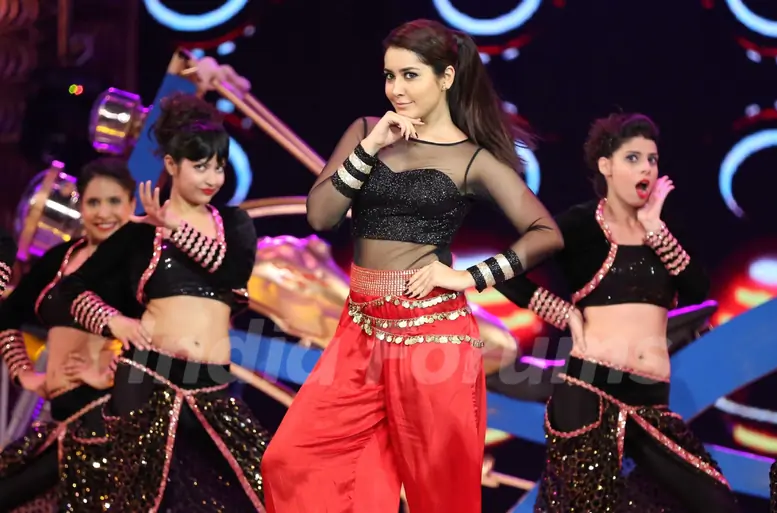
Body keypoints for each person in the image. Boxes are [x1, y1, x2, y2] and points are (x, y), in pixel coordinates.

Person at [260, 19, 564, 513]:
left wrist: (468, 277)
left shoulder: (472, 159)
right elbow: (320, 216)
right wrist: (369, 147)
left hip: (433, 337)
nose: (396, 89)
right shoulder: (367, 132)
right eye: (389, 76)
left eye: (410, 75)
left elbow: (546, 233)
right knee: (289, 461)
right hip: (360, 332)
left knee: (439, 495)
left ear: (446, 77)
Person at [493, 112, 741, 512]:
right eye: (633, 158)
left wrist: (655, 229)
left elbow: (697, 289)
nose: (647, 168)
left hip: (651, 402)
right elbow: (504, 271)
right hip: (589, 392)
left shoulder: (663, 229)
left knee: (715, 503)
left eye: (652, 159)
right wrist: (563, 312)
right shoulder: (579, 225)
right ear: (605, 166)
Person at [57, 92, 269, 512]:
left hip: (212, 382)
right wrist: (113, 322)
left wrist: (174, 227)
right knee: (141, 501)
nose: (212, 178)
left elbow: (231, 273)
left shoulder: (234, 224)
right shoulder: (138, 234)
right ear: (171, 165)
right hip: (147, 374)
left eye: (218, 166)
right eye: (200, 166)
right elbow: (69, 290)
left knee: (258, 490)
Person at [0, 157, 136, 511]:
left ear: (131, 204)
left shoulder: (141, 268)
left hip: (102, 423)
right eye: (94, 202)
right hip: (57, 419)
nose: (103, 212)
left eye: (114, 201)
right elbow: (7, 316)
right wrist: (24, 374)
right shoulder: (61, 258)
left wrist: (106, 375)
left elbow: (163, 340)